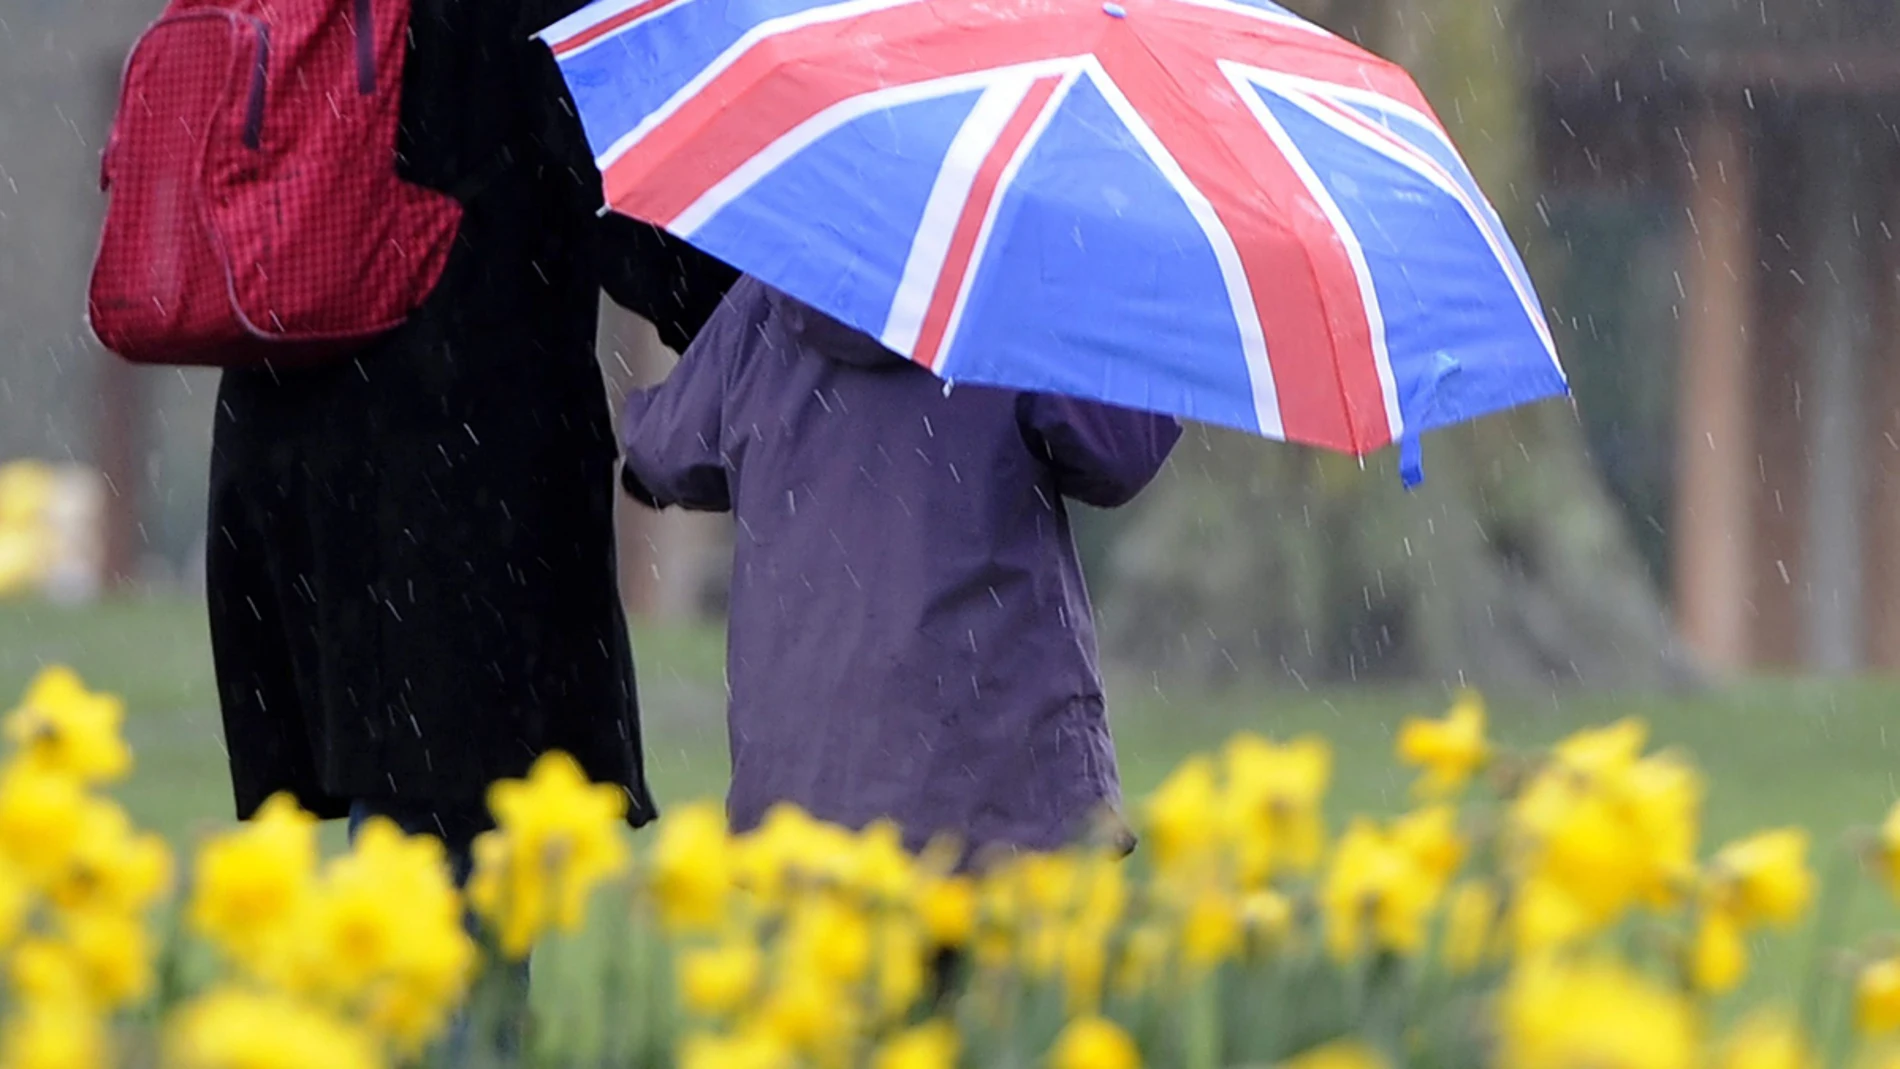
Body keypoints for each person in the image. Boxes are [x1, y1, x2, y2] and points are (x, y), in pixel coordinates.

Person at [206, 0, 735, 884]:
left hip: (289, 426)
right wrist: (778, 307)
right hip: (452, 465)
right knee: (447, 834)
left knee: (400, 814)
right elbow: (622, 180)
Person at [619, 277, 1180, 863]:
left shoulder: (775, 292)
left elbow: (663, 449)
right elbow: (1122, 450)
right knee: (1002, 956)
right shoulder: (1007, 293)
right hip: (1002, 797)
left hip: (806, 810)